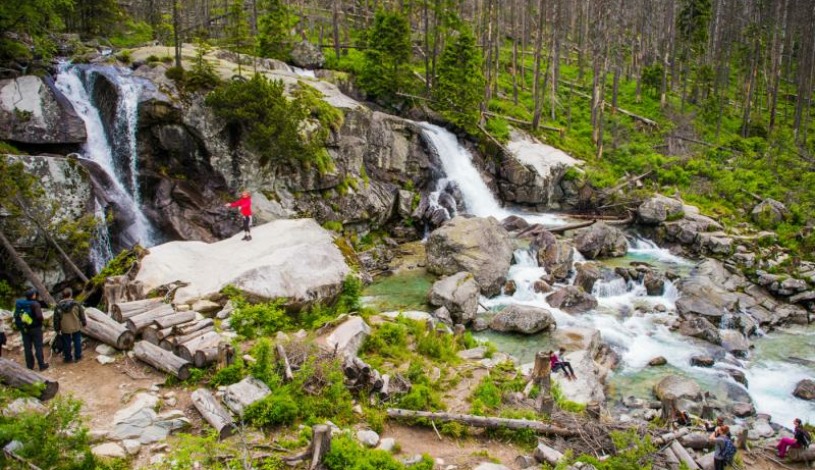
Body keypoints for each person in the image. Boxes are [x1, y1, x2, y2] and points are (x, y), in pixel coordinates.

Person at [14, 289, 48, 371]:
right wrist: (41, 322)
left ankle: (30, 366)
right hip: (35, 328)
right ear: (33, 296)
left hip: (25, 328)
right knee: (38, 346)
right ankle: (41, 365)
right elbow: (39, 316)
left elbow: (16, 315)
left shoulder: (21, 304)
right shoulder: (35, 304)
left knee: (27, 348)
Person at [54, 287, 87, 363]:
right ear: (71, 294)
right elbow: (82, 314)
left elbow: (56, 318)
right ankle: (78, 356)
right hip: (76, 325)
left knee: (66, 342)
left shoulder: (58, 306)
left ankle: (68, 358)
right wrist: (84, 322)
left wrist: (57, 328)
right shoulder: (76, 304)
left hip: (65, 327)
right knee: (77, 341)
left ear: (63, 295)